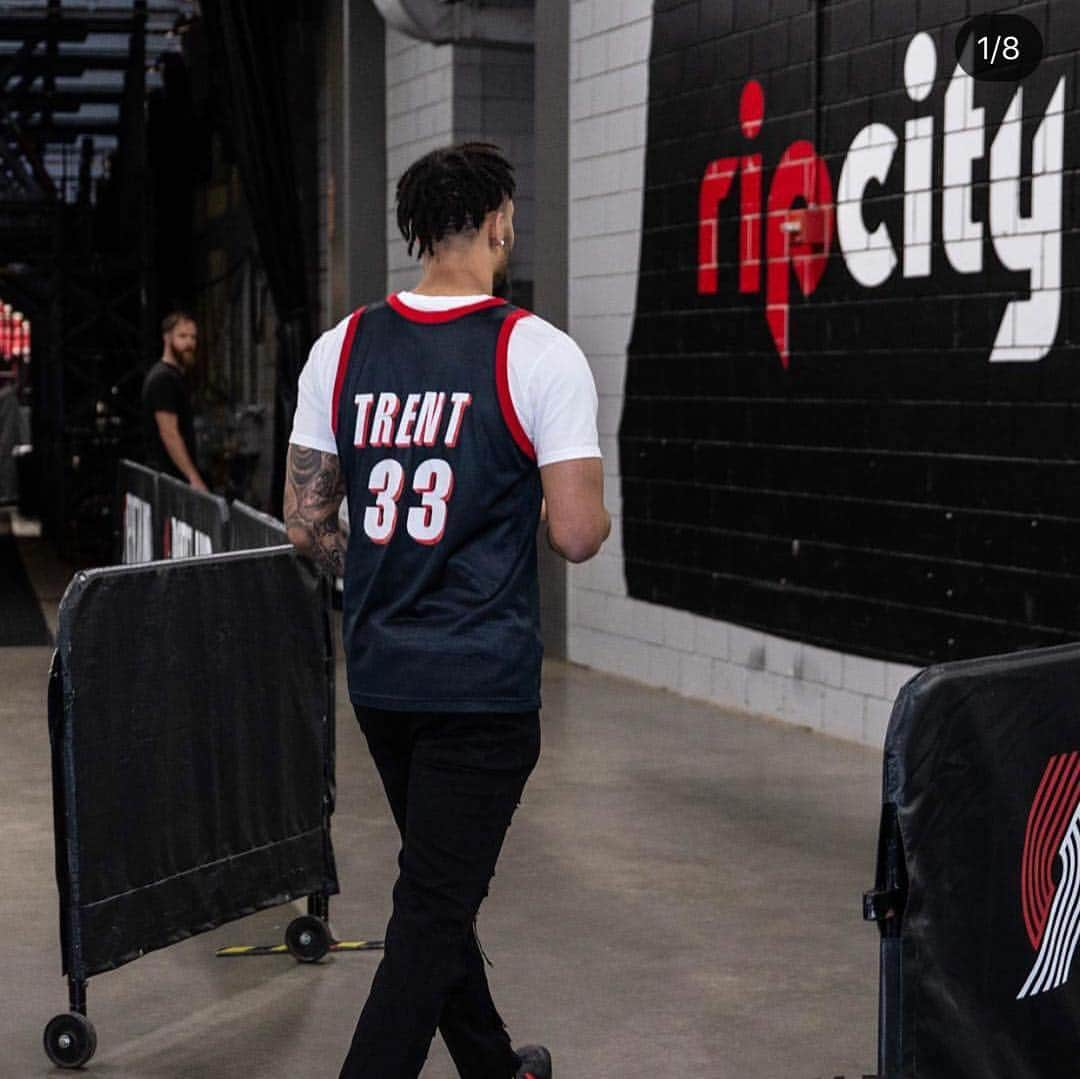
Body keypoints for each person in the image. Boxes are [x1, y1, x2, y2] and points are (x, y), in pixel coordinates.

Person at [284, 142, 610, 1079]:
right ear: (501, 220)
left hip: (383, 675)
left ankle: (494, 1066)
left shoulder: (340, 346)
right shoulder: (536, 351)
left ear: (415, 228)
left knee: (439, 885)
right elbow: (578, 535)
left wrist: (389, 559)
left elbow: (307, 523)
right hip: (482, 684)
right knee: (431, 910)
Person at [141, 310, 207, 490]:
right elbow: (169, 433)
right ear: (167, 338)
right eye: (183, 336)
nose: (189, 343)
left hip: (172, 479)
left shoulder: (175, 377)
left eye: (193, 337)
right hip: (168, 480)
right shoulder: (163, 379)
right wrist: (194, 478)